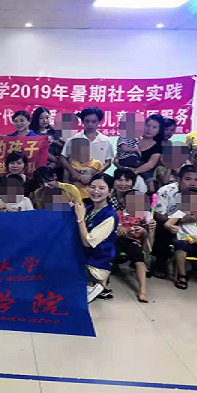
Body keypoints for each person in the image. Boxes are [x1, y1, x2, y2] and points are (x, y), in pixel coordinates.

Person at [151, 165, 197, 279]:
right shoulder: (166, 191)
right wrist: (180, 219)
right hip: (170, 222)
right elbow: (159, 215)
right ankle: (159, 264)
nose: (193, 183)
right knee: (162, 228)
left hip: (194, 222)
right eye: (188, 179)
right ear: (179, 179)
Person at [73, 173, 119, 302]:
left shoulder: (109, 216)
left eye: (101, 188)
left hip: (95, 265)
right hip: (83, 258)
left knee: (56, 269)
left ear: (110, 192)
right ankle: (89, 286)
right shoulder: (88, 209)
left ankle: (94, 285)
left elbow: (88, 242)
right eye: (92, 187)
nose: (96, 191)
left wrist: (80, 218)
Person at [115, 190, 156, 302]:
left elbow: (148, 242)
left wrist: (145, 231)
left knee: (139, 260)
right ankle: (102, 284)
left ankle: (142, 291)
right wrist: (119, 227)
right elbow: (114, 228)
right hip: (117, 240)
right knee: (109, 255)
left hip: (133, 242)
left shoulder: (145, 216)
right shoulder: (118, 214)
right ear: (124, 202)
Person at [115, 114, 165, 194]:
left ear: (159, 130)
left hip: (142, 181)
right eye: (147, 125)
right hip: (123, 178)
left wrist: (133, 172)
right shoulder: (131, 138)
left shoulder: (157, 147)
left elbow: (150, 165)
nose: (149, 129)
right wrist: (123, 168)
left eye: (154, 127)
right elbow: (117, 158)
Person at [61, 107, 114, 180]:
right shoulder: (73, 138)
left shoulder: (106, 141)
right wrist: (75, 173)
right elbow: (63, 158)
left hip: (97, 180)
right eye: (87, 121)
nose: (90, 124)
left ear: (99, 122)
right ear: (82, 121)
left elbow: (108, 162)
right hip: (75, 179)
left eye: (94, 121)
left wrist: (96, 174)